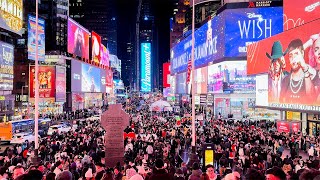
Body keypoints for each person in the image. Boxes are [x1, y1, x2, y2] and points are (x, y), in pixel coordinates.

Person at [279, 39, 317, 104]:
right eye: (290, 56)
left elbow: (312, 100)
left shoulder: (312, 75)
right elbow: (280, 102)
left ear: (302, 53)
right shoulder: (285, 80)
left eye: (296, 54)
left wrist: (305, 68)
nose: (293, 58)